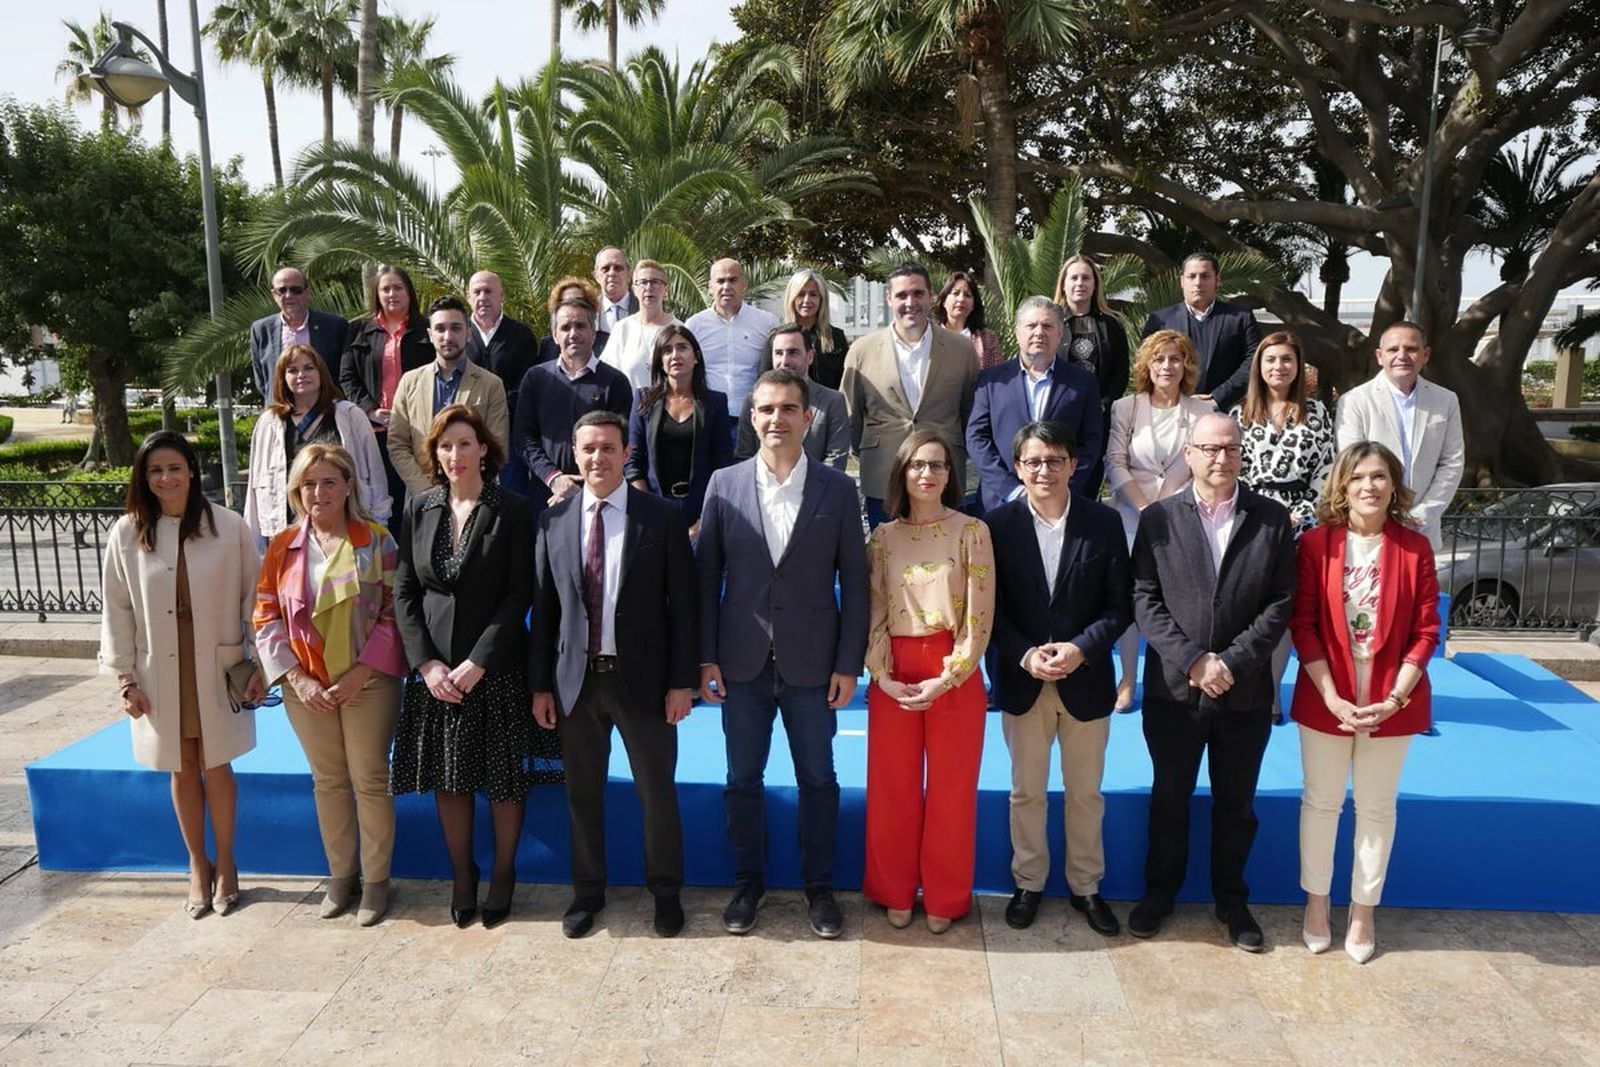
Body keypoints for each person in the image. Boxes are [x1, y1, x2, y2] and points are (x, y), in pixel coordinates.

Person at [696, 369, 869, 939]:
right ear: (752, 417)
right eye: (767, 409)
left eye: (788, 409)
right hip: (741, 661)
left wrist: (848, 664)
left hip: (814, 665)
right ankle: (748, 883)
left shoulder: (837, 489)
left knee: (818, 778)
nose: (777, 419)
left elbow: (857, 583)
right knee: (742, 779)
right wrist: (706, 657)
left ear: (807, 417)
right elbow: (706, 578)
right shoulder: (723, 484)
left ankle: (819, 887)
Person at [1128, 413, 1296, 951]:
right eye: (1209, 448)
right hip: (1175, 692)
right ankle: (1160, 894)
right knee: (1169, 798)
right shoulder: (1158, 519)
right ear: (1189, 454)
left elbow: (1280, 603)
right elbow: (1144, 599)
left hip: (1244, 694)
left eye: (1230, 448)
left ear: (1241, 453)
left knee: (1236, 805)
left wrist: (1233, 662)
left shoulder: (1272, 519)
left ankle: (1232, 901)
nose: (1220, 458)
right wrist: (1194, 662)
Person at [531, 410, 698, 940]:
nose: (598, 458)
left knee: (656, 792)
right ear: (574, 455)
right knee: (582, 794)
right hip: (576, 682)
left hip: (643, 681)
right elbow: (545, 611)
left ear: (626, 453)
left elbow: (684, 607)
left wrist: (682, 682)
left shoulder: (661, 518)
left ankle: (666, 892)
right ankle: (587, 892)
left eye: (608, 447)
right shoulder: (554, 521)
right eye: (588, 449)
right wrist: (541, 685)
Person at [391, 405, 553, 930]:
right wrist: (427, 664)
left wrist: (479, 661)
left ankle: (504, 875)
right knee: (451, 779)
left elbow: (520, 592)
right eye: (445, 445)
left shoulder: (514, 509)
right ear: (434, 454)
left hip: (497, 670)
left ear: (484, 448)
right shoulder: (420, 507)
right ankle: (464, 875)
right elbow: (405, 591)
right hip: (437, 677)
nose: (455, 454)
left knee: (504, 782)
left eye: (464, 443)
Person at [101, 431, 264, 919]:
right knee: (182, 765)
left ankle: (227, 862)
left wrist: (259, 662)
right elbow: (117, 609)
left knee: (217, 764)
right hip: (160, 669)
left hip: (218, 665)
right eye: (155, 470)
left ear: (192, 471)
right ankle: (197, 864)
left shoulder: (229, 527)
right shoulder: (127, 534)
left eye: (174, 468)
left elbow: (255, 600)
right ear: (143, 478)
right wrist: (124, 678)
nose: (165, 478)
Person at [1290, 441, 1439, 963]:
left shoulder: (1414, 548)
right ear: (1342, 486)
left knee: (1376, 807)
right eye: (1357, 477)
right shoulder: (1316, 544)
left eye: (1378, 476)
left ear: (1393, 485)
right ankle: (1316, 904)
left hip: (1393, 694)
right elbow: (1303, 624)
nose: (1368, 486)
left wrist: (1396, 697)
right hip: (1326, 689)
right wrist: (1330, 694)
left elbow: (1427, 630)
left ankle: (1362, 911)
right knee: (1321, 802)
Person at [253, 443, 408, 926]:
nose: (318, 492)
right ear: (296, 491)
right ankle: (342, 877)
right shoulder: (281, 546)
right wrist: (297, 679)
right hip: (307, 689)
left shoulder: (377, 541)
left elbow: (395, 614)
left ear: (347, 486)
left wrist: (361, 672)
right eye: (308, 483)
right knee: (329, 781)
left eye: (328, 482)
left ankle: (377, 882)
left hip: (368, 683)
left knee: (370, 779)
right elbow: (265, 616)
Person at [985, 420, 1130, 935]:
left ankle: (1086, 886)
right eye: (1033, 461)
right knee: (1026, 792)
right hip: (1023, 680)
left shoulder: (1103, 522)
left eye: (1054, 460)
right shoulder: (996, 526)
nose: (1043, 470)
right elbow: (989, 608)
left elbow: (1120, 605)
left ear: (1073, 464)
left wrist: (1080, 648)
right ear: (1018, 468)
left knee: (1085, 793)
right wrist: (1025, 655)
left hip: (1085, 680)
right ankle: (1028, 882)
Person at [861, 429, 994, 933]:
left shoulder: (972, 531)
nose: (927, 473)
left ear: (950, 474)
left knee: (951, 792)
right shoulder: (883, 537)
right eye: (917, 464)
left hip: (953, 669)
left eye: (937, 465)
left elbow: (980, 616)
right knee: (891, 788)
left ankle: (945, 895)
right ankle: (893, 889)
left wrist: (950, 676)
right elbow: (874, 610)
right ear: (901, 472)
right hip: (895, 669)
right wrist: (881, 674)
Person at [1104, 330, 1216, 711]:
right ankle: (1127, 679)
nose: (1167, 366)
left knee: (1177, 599)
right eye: (1159, 359)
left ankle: (1177, 674)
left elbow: (1203, 465)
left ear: (1186, 365)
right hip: (1130, 516)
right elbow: (1115, 462)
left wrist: (1167, 508)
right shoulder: (1126, 408)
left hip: (1181, 518)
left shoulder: (1203, 412)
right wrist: (1144, 508)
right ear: (1146, 365)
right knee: (1131, 597)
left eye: (1174, 359)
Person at [1231, 331, 1336, 721]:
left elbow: (1327, 472)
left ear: (1298, 365)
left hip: (1300, 525)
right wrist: (1261, 513)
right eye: (1271, 359)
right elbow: (1232, 472)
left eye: (1287, 359)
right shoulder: (1240, 414)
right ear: (1259, 366)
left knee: (1284, 611)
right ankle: (1246, 684)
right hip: (1251, 524)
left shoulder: (1318, 413)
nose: (1279, 367)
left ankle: (1273, 693)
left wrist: (1302, 513)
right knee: (1250, 609)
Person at [841, 261, 980, 528]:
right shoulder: (861, 351)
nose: (910, 302)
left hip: (943, 475)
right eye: (902, 295)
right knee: (887, 551)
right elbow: (851, 415)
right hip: (883, 475)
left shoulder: (962, 350)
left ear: (931, 295)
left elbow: (970, 411)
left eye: (917, 293)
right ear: (889, 298)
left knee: (945, 550)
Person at [244, 344, 392, 549]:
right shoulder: (269, 422)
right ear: (282, 378)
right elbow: (256, 483)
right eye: (292, 370)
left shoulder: (350, 415)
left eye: (308, 368)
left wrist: (379, 522)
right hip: (288, 531)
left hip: (344, 530)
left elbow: (375, 474)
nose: (301, 375)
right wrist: (253, 541)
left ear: (321, 372)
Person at [1334, 321, 1465, 549]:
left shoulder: (1446, 400)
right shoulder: (1355, 401)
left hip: (1424, 530)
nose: (1402, 356)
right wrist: (1384, 514)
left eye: (1411, 349)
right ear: (1379, 356)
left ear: (1425, 355)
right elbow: (1352, 466)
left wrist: (1424, 514)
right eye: (1393, 349)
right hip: (1371, 529)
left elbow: (1452, 462)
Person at [966, 295, 1104, 512]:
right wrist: (1011, 490)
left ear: (1059, 334)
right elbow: (977, 438)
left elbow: (1092, 442)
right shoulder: (991, 381)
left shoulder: (1083, 383)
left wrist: (1060, 487)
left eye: (1047, 326)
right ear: (1018, 333)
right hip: (1001, 503)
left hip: (1062, 503)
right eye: (1031, 326)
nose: (1039, 332)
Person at [512, 297, 634, 518]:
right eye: (565, 327)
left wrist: (584, 488)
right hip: (546, 496)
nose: (573, 333)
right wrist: (555, 479)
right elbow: (524, 437)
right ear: (554, 335)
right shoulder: (536, 378)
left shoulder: (615, 382)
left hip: (601, 498)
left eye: (580, 325)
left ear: (593, 332)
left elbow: (618, 443)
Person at [387, 295, 510, 498]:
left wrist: (463, 489)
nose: (448, 336)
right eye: (440, 329)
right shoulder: (409, 382)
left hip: (473, 498)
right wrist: (426, 490)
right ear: (430, 335)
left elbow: (497, 447)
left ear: (468, 333)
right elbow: (397, 444)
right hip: (421, 497)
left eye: (456, 328)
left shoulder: (491, 385)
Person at [340, 264, 434, 510]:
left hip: (418, 431)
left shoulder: (427, 329)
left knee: (419, 497)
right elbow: (347, 376)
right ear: (377, 294)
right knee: (380, 499)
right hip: (375, 431)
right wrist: (371, 410)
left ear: (409, 292)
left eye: (398, 288)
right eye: (386, 289)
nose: (392, 294)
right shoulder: (359, 330)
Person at [624, 324, 733, 536]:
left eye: (682, 347)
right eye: (667, 350)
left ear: (696, 357)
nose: (675, 355)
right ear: (659, 360)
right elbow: (633, 463)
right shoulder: (643, 401)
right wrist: (648, 511)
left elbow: (722, 466)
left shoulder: (715, 403)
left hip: (701, 511)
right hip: (654, 510)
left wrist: (704, 520)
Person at [1140, 252, 1261, 411]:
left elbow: (1254, 360)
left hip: (1225, 409)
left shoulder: (1240, 318)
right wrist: (1180, 399)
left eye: (1205, 276)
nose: (1198, 283)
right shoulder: (1160, 320)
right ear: (1182, 281)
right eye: (1191, 276)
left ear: (1217, 280)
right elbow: (1147, 362)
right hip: (1173, 409)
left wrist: (1217, 398)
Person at [1053, 255, 1131, 497]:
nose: (1080, 283)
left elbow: (1121, 372)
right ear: (1063, 284)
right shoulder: (1050, 322)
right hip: (1057, 418)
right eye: (1074, 278)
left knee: (1088, 484)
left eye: (1086, 278)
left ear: (1095, 284)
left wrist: (1103, 403)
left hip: (1097, 418)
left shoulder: (1112, 325)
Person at [736, 324, 851, 470]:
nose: (784, 361)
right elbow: (744, 456)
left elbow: (835, 459)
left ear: (810, 356)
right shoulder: (753, 400)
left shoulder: (832, 401)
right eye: (778, 353)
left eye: (793, 352)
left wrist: (802, 483)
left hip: (817, 484)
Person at [464, 270, 540, 493]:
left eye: (488, 291)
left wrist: (497, 411)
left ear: (501, 295)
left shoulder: (520, 335)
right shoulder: (458, 334)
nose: (482, 297)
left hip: (510, 432)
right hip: (467, 431)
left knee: (511, 495)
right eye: (477, 292)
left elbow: (526, 385)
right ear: (468, 297)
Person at [684, 258, 779, 430]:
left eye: (733, 280)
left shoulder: (767, 323)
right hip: (709, 419)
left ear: (744, 285)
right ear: (710, 287)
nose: (726, 286)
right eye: (720, 281)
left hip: (754, 419)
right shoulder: (694, 326)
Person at [250, 266, 349, 400]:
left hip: (326, 407)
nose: (289, 295)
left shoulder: (335, 326)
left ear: (308, 292)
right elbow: (262, 380)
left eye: (296, 290)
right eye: (282, 290)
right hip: (281, 408)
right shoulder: (261, 330)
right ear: (274, 295)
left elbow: (345, 373)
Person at [601, 258, 679, 391]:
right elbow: (608, 374)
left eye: (655, 282)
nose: (648, 288)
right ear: (634, 289)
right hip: (630, 403)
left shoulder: (679, 329)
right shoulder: (622, 329)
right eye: (643, 282)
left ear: (666, 288)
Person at [782, 268, 849, 389]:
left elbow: (845, 383)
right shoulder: (777, 338)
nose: (807, 300)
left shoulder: (836, 337)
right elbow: (766, 382)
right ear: (792, 298)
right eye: (801, 294)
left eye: (813, 294)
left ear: (821, 299)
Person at [934, 269, 1003, 370]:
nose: (961, 299)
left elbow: (997, 375)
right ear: (944, 301)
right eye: (956, 293)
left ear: (973, 305)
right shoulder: (929, 334)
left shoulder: (987, 338)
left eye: (967, 295)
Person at [536, 277, 612, 364]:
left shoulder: (607, 342)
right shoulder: (547, 345)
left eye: (578, 301)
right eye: (565, 302)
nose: (572, 305)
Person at [593, 246, 638, 333]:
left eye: (618, 268)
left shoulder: (645, 308)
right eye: (605, 269)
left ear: (629, 274)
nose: (612, 273)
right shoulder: (589, 310)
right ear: (596, 276)